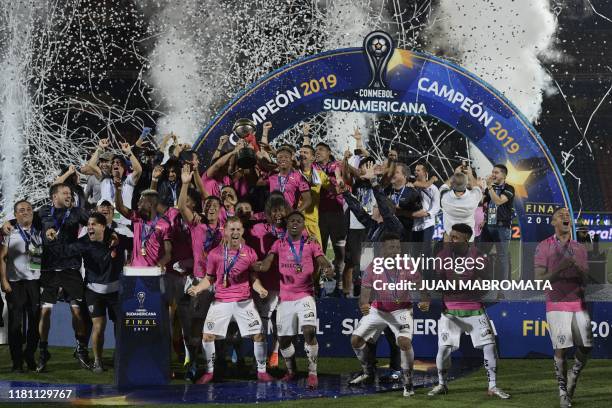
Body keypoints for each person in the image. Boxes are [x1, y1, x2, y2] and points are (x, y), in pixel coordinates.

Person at [428, 223, 510, 400]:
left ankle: (493, 386)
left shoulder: (479, 257)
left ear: (466, 239)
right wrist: (452, 287)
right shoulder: (442, 256)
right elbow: (437, 284)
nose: (451, 239)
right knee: (443, 349)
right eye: (450, 236)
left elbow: (486, 283)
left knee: (489, 346)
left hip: (475, 309)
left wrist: (468, 286)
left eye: (455, 237)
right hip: (450, 311)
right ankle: (442, 384)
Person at [187, 217, 273, 384]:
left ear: (242, 231)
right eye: (231, 229)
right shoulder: (214, 254)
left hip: (244, 301)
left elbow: (253, 278)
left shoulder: (250, 252)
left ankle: (262, 372)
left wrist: (260, 289)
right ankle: (210, 372)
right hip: (221, 301)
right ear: (224, 231)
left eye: (238, 229)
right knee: (207, 336)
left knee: (259, 336)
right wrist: (198, 288)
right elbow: (209, 278)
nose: (235, 233)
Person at [254, 211, 333, 389]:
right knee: (284, 341)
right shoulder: (279, 244)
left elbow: (321, 260)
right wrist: (260, 265)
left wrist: (328, 268)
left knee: (309, 331)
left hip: (305, 294)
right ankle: (292, 371)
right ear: (287, 225)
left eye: (298, 221)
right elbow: (267, 262)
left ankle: (312, 373)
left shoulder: (311, 243)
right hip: (286, 297)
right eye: (292, 221)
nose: (295, 223)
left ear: (304, 225)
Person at [348, 232, 428, 398]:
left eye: (398, 247)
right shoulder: (372, 267)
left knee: (404, 342)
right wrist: (363, 304)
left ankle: (408, 382)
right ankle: (367, 371)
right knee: (355, 340)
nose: (396, 250)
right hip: (378, 310)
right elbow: (365, 293)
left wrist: (424, 299)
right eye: (391, 247)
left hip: (402, 310)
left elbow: (421, 285)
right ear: (382, 249)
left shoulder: (408, 265)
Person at [535, 207, 591, 408]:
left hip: (578, 302)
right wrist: (559, 269)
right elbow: (539, 279)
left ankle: (573, 375)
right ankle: (563, 392)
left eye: (568, 214)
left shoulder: (579, 248)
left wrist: (578, 270)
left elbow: (586, 279)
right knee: (562, 348)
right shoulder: (544, 247)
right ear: (553, 222)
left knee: (586, 346)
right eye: (561, 215)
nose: (566, 216)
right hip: (556, 303)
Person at [36, 183, 91, 371]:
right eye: (65, 193)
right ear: (54, 197)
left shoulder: (77, 212)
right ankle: (43, 351)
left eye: (70, 193)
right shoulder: (44, 211)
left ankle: (81, 350)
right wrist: (8, 224)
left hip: (71, 269)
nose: (69, 195)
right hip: (48, 271)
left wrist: (82, 245)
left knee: (77, 312)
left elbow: (94, 224)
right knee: (45, 312)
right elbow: (27, 223)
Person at [64, 212, 125, 373]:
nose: (90, 227)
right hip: (93, 291)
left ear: (103, 227)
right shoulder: (83, 243)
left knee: (122, 326)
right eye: (88, 224)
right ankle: (98, 361)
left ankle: (121, 357)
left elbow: (137, 242)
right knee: (99, 326)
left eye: (94, 224)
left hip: (116, 292)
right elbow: (64, 251)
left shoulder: (117, 239)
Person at [0, 200, 42, 372]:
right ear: (15, 214)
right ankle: (17, 361)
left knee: (34, 324)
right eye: (21, 210)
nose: (26, 212)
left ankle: (30, 355)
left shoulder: (39, 230)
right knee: (16, 325)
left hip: (35, 282)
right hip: (15, 283)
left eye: (29, 209)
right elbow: (2, 257)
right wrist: (3, 280)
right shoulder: (9, 231)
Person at [114, 185, 172, 270]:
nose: (137, 204)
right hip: (135, 270)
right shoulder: (137, 217)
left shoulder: (164, 225)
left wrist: (161, 263)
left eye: (141, 201)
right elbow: (119, 207)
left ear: (150, 205)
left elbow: (168, 253)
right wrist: (118, 189)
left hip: (153, 271)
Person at [315, 141, 346, 293]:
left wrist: (339, 181)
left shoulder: (336, 165)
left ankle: (339, 287)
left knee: (338, 250)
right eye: (316, 150)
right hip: (318, 214)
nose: (318, 152)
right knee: (318, 250)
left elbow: (338, 176)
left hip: (336, 213)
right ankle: (318, 285)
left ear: (328, 152)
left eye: (321, 149)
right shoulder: (313, 167)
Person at [480, 164, 515, 281]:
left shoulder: (509, 189)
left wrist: (489, 187)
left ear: (504, 175)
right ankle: (481, 283)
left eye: (496, 172)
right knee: (480, 254)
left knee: (502, 257)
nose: (493, 174)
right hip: (488, 226)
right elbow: (483, 203)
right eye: (492, 172)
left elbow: (498, 201)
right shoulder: (489, 188)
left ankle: (502, 288)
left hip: (502, 227)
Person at [411, 163, 440, 279]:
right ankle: (416, 278)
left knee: (426, 251)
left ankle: (428, 278)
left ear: (424, 172)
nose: (416, 172)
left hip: (428, 223)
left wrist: (428, 213)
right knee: (414, 253)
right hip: (414, 225)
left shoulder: (433, 189)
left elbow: (436, 206)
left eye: (418, 170)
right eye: (415, 170)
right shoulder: (412, 185)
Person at [439, 164, 482, 241]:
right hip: (467, 238)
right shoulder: (473, 197)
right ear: (466, 184)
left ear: (453, 183)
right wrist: (470, 174)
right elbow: (476, 188)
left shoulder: (444, 197)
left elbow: (444, 186)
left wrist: (455, 174)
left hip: (450, 237)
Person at [298, 144, 329, 245]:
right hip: (295, 220)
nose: (302, 154)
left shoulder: (320, 174)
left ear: (313, 158)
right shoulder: (293, 172)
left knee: (317, 256)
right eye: (301, 152)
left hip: (311, 222)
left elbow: (335, 190)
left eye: (305, 153)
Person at [267, 145, 311, 211]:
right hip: (274, 215)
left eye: (286, 157)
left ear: (291, 159)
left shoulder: (298, 177)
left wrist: (295, 212)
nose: (283, 159)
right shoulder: (272, 177)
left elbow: (308, 200)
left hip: (289, 215)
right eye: (280, 157)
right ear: (277, 160)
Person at [385, 162, 421, 241]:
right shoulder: (386, 191)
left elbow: (418, 215)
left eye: (397, 172)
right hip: (387, 234)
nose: (393, 174)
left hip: (404, 236)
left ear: (405, 176)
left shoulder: (412, 193)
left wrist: (399, 211)